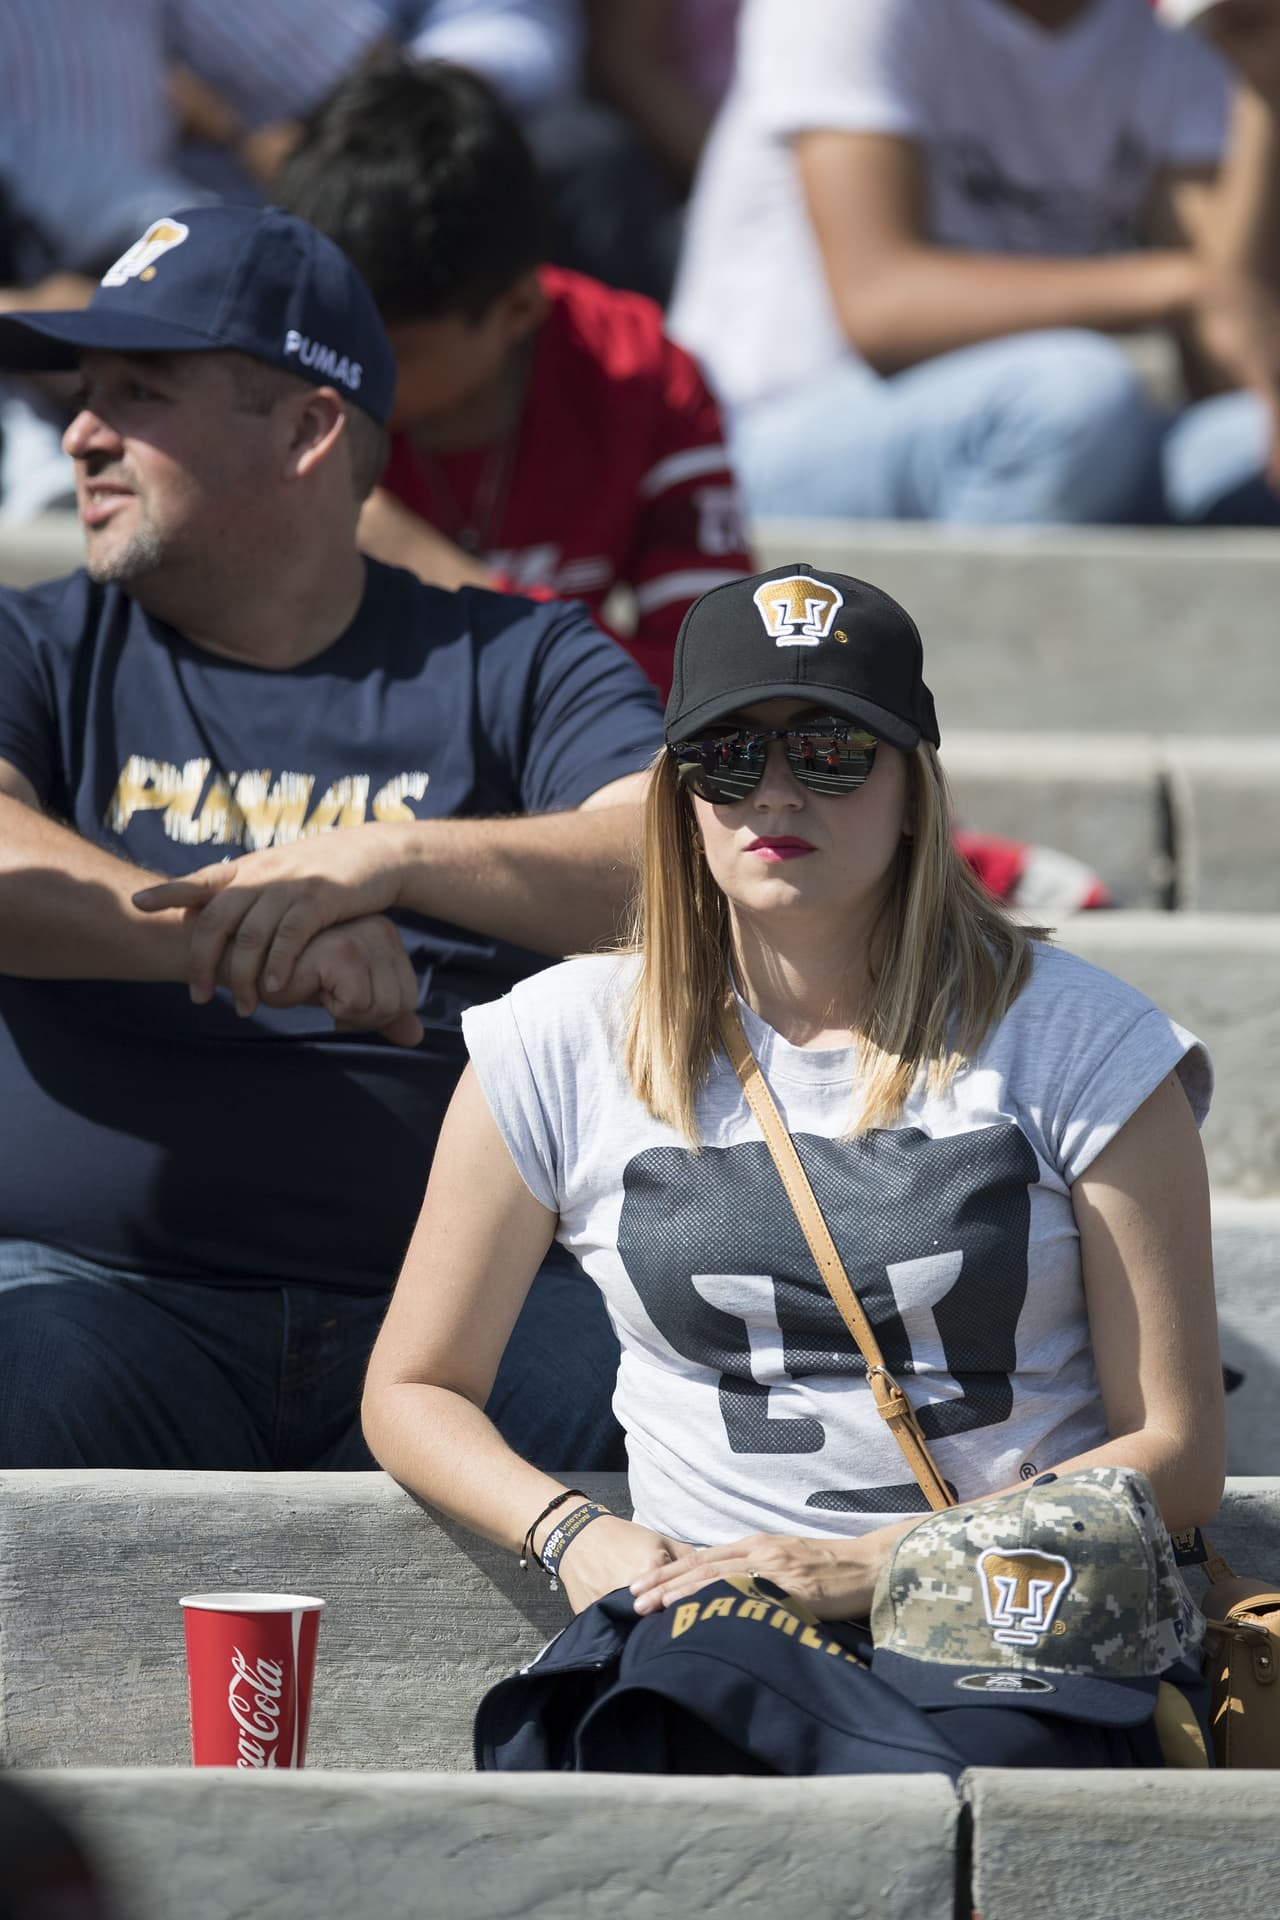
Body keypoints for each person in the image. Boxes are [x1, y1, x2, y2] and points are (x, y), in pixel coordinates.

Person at [357, 561, 1225, 1769]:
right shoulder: (556, 1038)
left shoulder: (1082, 1038)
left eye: (829, 752)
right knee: (672, 1730)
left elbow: (1175, 1453)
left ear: (914, 790)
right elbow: (412, 1385)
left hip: (1006, 1614)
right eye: (726, 757)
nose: (774, 791)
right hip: (715, 1627)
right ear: (678, 798)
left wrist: (876, 1566)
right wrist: (573, 1535)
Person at [0, 201, 665, 1472]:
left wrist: (392, 858)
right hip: (89, 1296)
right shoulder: (34, 643)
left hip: (467, 1313)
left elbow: (673, 862)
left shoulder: (513, 660)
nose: (82, 434)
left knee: (675, 1429)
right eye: (82, 395)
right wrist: (261, 937)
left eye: (140, 390)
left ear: (310, 428)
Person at [669, 0, 1280, 525]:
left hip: (1032, 432)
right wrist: (1179, 287)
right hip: (754, 437)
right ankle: (987, 660)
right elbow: (880, 306)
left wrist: (1262, 83)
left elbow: (1226, 338)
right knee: (1070, 398)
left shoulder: (1170, 38)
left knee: (1231, 440)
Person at [275, 56, 753, 700]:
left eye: (390, 352)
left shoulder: (641, 376)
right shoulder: (267, 377)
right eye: (328, 337)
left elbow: (717, 687)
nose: (338, 375)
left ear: (519, 310)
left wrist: (443, 575)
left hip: (559, 758)